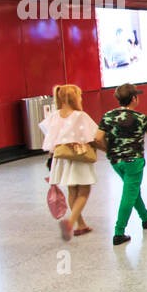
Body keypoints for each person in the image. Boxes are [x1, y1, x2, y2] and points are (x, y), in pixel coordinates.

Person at [96, 83, 147, 246]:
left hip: (116, 162)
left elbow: (97, 138)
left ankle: (145, 218)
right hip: (133, 162)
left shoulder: (108, 115)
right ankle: (118, 232)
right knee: (129, 194)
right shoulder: (139, 117)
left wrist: (108, 151)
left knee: (132, 189)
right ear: (134, 98)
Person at [39, 83, 99, 240]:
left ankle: (81, 224)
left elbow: (48, 136)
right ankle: (71, 222)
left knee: (72, 191)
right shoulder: (80, 116)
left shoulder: (53, 116)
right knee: (84, 191)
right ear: (74, 98)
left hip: (62, 159)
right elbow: (94, 135)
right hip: (79, 157)